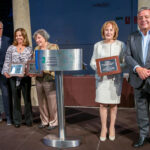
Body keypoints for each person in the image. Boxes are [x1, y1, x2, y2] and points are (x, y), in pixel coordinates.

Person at [90, 21, 125, 141]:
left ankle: (112, 127)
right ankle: (104, 128)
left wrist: (116, 66)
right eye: (106, 30)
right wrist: (99, 68)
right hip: (102, 79)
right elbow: (92, 62)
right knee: (102, 104)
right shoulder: (97, 45)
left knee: (114, 105)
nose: (109, 32)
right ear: (103, 31)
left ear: (115, 31)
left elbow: (125, 62)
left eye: (111, 30)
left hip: (115, 80)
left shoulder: (121, 45)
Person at [125, 7, 150, 148]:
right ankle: (143, 135)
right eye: (140, 17)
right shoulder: (132, 36)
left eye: (146, 17)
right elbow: (127, 56)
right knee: (141, 111)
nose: (143, 20)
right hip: (137, 80)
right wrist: (138, 68)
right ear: (137, 20)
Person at [2, 28, 33, 128]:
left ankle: (29, 120)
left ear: (24, 36)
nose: (18, 37)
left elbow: (31, 63)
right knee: (16, 99)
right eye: (17, 35)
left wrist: (31, 72)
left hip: (26, 77)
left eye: (20, 35)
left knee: (27, 99)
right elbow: (7, 61)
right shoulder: (11, 48)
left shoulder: (29, 49)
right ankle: (17, 120)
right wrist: (5, 72)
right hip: (13, 77)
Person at [33, 29, 58, 130]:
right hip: (38, 78)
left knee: (52, 102)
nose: (37, 40)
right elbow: (34, 63)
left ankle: (53, 122)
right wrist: (31, 71)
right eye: (36, 39)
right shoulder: (36, 48)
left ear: (45, 37)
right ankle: (44, 121)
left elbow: (55, 61)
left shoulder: (53, 47)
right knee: (41, 101)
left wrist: (45, 69)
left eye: (39, 38)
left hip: (49, 78)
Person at [0, 21, 12, 125]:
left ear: (2, 29)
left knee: (5, 94)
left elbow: (10, 57)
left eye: (0, 28)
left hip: (4, 72)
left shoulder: (7, 40)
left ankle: (8, 117)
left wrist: (7, 70)